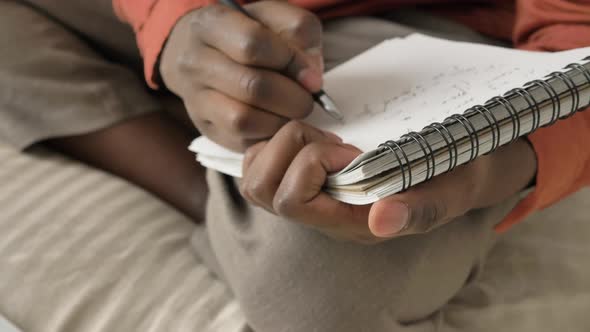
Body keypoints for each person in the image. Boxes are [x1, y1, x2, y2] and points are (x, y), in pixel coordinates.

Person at [1, 0, 589, 331]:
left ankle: (238, 186)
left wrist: (500, 159)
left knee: (311, 298)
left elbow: (577, 41)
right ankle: (205, 192)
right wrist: (171, 19)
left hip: (411, 34)